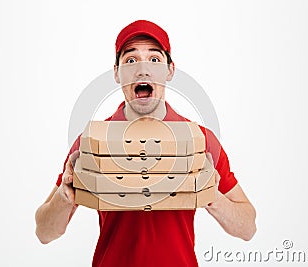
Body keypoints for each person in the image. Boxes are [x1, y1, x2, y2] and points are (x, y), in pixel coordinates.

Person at [35, 20, 257, 266]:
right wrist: (65, 198)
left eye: (154, 59)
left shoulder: (201, 139)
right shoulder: (91, 142)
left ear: (170, 71)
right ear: (117, 73)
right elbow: (44, 232)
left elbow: (247, 228)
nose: (143, 70)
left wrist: (211, 195)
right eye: (131, 61)